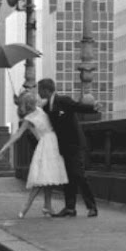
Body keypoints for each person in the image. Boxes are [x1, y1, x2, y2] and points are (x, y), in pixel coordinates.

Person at [0, 91, 68, 218]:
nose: (35, 100)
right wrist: (4, 148)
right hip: (46, 145)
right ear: (29, 104)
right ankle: (27, 205)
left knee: (49, 178)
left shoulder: (40, 108)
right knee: (41, 178)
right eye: (32, 100)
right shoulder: (29, 119)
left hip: (53, 143)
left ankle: (47, 206)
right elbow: (17, 135)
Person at [37, 77, 99, 218]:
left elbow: (77, 106)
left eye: (39, 90)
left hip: (75, 143)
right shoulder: (46, 107)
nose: (38, 93)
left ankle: (92, 207)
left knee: (79, 175)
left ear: (46, 90)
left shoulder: (63, 100)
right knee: (68, 176)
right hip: (63, 146)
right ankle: (70, 208)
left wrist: (94, 108)